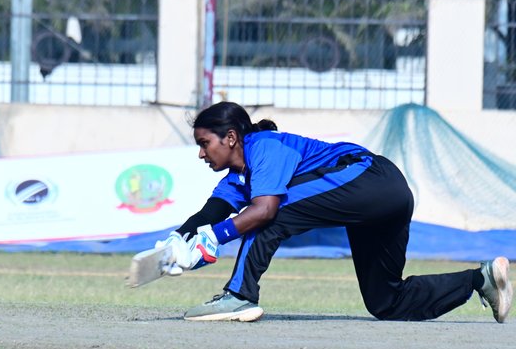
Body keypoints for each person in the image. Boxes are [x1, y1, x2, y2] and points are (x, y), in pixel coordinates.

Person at [154, 101, 513, 323]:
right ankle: (479, 279)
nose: (202, 153)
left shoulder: (264, 146)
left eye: (204, 143)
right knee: (387, 301)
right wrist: (174, 240)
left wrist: (215, 237)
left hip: (371, 178)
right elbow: (211, 211)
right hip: (385, 199)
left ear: (230, 137)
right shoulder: (237, 178)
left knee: (268, 215)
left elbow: (264, 212)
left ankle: (239, 297)